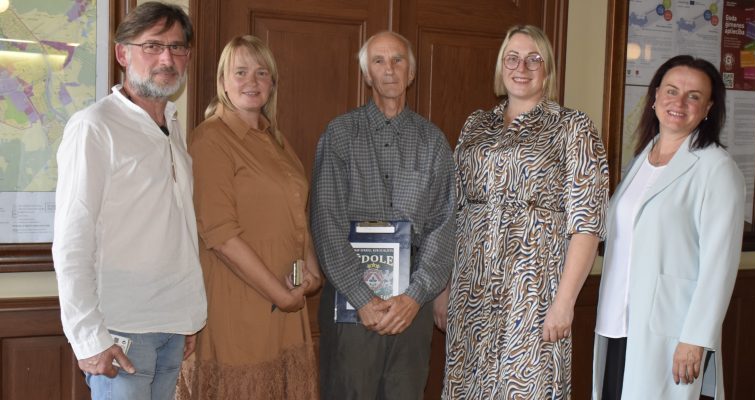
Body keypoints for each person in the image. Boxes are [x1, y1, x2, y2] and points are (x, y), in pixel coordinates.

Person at [442, 24, 609, 399]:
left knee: (528, 386)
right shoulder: (476, 124)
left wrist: (564, 302)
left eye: (534, 59)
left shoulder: (573, 127)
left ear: (547, 69)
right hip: (472, 287)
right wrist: (444, 288)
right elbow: (454, 208)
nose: (522, 67)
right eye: (512, 58)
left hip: (533, 289)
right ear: (501, 66)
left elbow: (587, 223)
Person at [52, 2, 206, 399]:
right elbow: (72, 240)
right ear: (123, 53)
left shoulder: (172, 126)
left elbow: (175, 230)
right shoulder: (94, 127)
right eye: (152, 46)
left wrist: (185, 315)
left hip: (172, 326)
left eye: (176, 47)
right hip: (120, 333)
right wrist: (88, 338)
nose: (167, 59)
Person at [310, 31, 456, 399]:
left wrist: (414, 297)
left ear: (411, 73)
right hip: (350, 304)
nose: (389, 69)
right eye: (378, 61)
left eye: (397, 60)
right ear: (366, 74)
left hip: (412, 307)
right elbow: (326, 222)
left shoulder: (433, 142)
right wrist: (362, 297)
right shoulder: (339, 135)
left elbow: (443, 227)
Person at [175, 35, 322, 400]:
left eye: (261, 73)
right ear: (222, 82)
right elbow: (221, 236)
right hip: (239, 304)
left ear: (272, 83)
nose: (252, 81)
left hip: (285, 303)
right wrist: (282, 296)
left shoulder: (276, 140)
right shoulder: (210, 139)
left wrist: (312, 271)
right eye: (240, 72)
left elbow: (297, 213)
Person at [592, 55, 745, 400]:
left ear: (708, 108)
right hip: (618, 320)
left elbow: (720, 265)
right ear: (655, 96)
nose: (679, 102)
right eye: (672, 91)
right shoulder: (641, 160)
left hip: (672, 332)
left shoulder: (716, 168)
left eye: (694, 96)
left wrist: (695, 338)